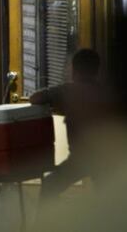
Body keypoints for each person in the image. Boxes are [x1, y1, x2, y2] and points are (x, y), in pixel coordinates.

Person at [30, 48, 105, 200]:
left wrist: (62, 105)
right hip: (108, 156)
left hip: (81, 158)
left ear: (74, 70)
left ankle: (45, 223)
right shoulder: (105, 91)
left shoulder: (67, 91)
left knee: (50, 185)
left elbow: (35, 98)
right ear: (97, 70)